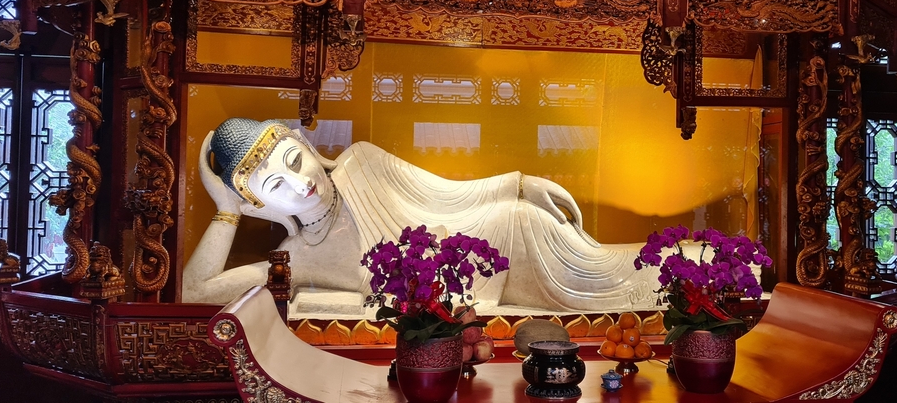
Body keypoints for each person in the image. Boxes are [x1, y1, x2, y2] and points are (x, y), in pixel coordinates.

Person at [183, 118, 669, 316]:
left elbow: (449, 195)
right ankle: (709, 275)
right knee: (614, 290)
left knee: (611, 273)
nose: (300, 183)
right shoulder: (296, 257)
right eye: (274, 188)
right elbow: (195, 292)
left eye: (294, 161)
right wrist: (226, 212)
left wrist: (519, 185)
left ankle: (708, 269)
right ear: (261, 207)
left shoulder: (362, 162)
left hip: (509, 231)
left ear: (308, 147)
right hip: (470, 296)